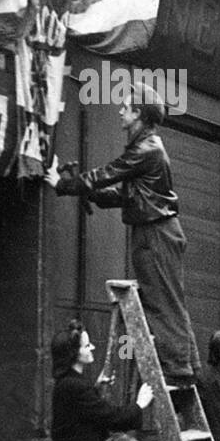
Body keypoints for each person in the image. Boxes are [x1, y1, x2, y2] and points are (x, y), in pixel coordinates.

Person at [53, 92, 200, 382]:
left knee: (162, 302)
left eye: (126, 108)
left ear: (138, 114)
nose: (120, 112)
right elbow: (123, 196)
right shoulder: (147, 148)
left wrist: (62, 184)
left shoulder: (146, 149)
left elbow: (106, 174)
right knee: (169, 300)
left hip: (155, 234)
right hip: (157, 231)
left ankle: (178, 368)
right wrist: (86, 191)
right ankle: (186, 365)